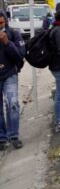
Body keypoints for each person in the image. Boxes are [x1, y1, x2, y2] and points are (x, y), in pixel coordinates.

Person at [0, 10, 25, 150]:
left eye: (1, 23)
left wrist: (7, 43)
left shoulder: (14, 33)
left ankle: (13, 135)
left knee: (12, 104)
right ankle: (2, 138)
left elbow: (20, 55)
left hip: (9, 74)